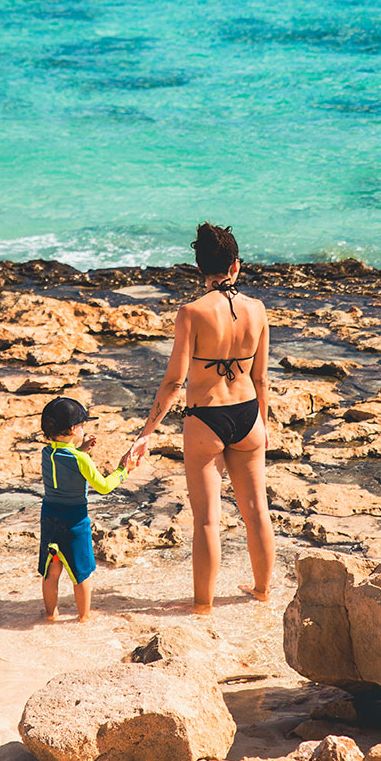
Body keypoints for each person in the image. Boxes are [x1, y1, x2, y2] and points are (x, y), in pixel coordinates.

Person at [125, 222, 274, 613]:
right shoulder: (257, 310)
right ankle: (261, 594)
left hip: (205, 419)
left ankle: (203, 607)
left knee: (207, 520)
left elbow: (174, 381)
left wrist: (146, 433)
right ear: (236, 266)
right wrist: (265, 423)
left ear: (199, 268)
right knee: (257, 509)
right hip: (248, 414)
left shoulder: (191, 312)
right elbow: (260, 377)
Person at [38, 395, 137, 622]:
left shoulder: (47, 453)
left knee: (51, 571)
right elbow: (103, 486)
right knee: (81, 573)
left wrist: (81, 449)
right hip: (74, 520)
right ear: (73, 429)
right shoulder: (80, 460)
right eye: (82, 426)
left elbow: (65, 458)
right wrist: (124, 470)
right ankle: (84, 618)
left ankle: (50, 616)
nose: (84, 429)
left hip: (49, 517)